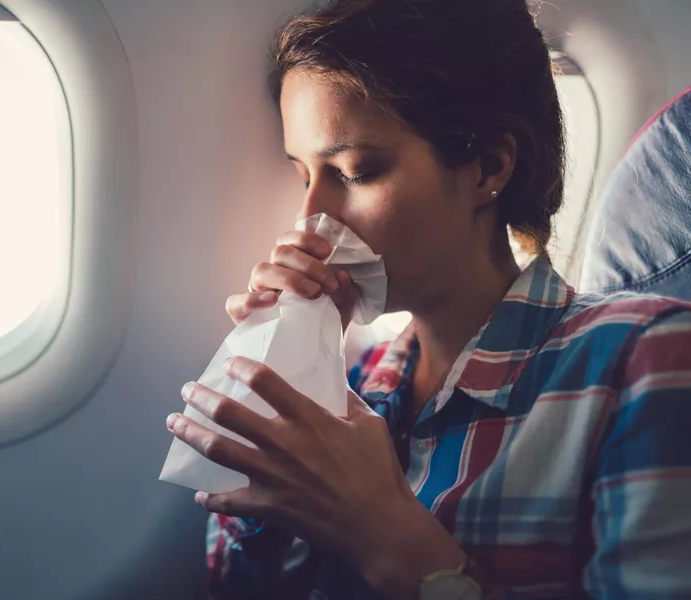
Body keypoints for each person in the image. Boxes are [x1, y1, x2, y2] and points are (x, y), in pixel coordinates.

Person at [164, 0, 691, 597]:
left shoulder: (644, 360)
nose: (308, 219)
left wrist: (383, 532)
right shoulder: (351, 384)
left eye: (356, 172)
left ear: (488, 167)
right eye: (302, 174)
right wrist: (288, 363)